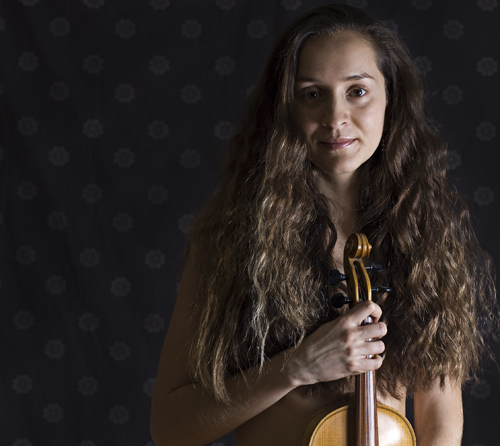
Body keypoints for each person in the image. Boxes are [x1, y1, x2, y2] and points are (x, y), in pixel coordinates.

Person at [150, 5, 497, 446]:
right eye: (312, 94)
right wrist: (297, 367)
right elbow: (170, 427)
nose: (335, 118)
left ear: (391, 99)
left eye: (357, 91)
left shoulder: (424, 235)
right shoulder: (232, 239)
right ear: (286, 108)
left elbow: (440, 421)